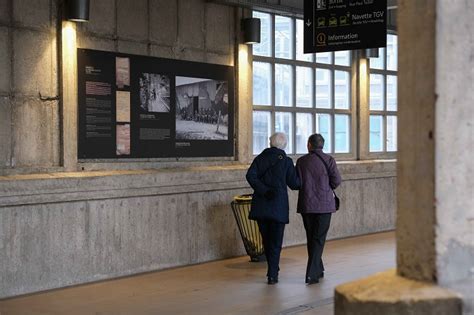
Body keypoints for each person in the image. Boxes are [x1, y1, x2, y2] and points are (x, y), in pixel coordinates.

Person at [246, 133, 300, 285]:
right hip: (278, 207)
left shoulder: (259, 159)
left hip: (261, 207)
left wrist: (263, 190)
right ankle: (272, 273)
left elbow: (250, 176)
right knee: (276, 242)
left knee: (266, 240)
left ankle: (273, 269)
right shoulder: (287, 162)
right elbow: (294, 184)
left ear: (270, 143)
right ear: (284, 145)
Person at [296, 134, 341, 285]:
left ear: (309, 145)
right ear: (322, 145)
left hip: (307, 205)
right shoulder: (329, 160)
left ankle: (318, 267)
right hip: (324, 205)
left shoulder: (301, 161)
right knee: (319, 238)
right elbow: (336, 181)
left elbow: (297, 182)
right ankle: (311, 274)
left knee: (311, 237)